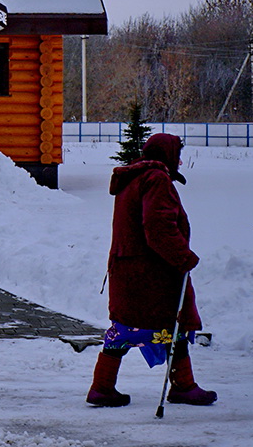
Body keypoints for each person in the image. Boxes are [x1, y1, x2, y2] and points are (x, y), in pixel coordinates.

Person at [86, 131, 217, 407]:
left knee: (124, 329)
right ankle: (183, 386)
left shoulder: (131, 178)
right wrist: (182, 257)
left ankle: (102, 387)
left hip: (127, 269)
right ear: (168, 155)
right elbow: (158, 228)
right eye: (178, 156)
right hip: (152, 273)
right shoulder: (156, 179)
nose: (180, 163)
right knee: (174, 323)